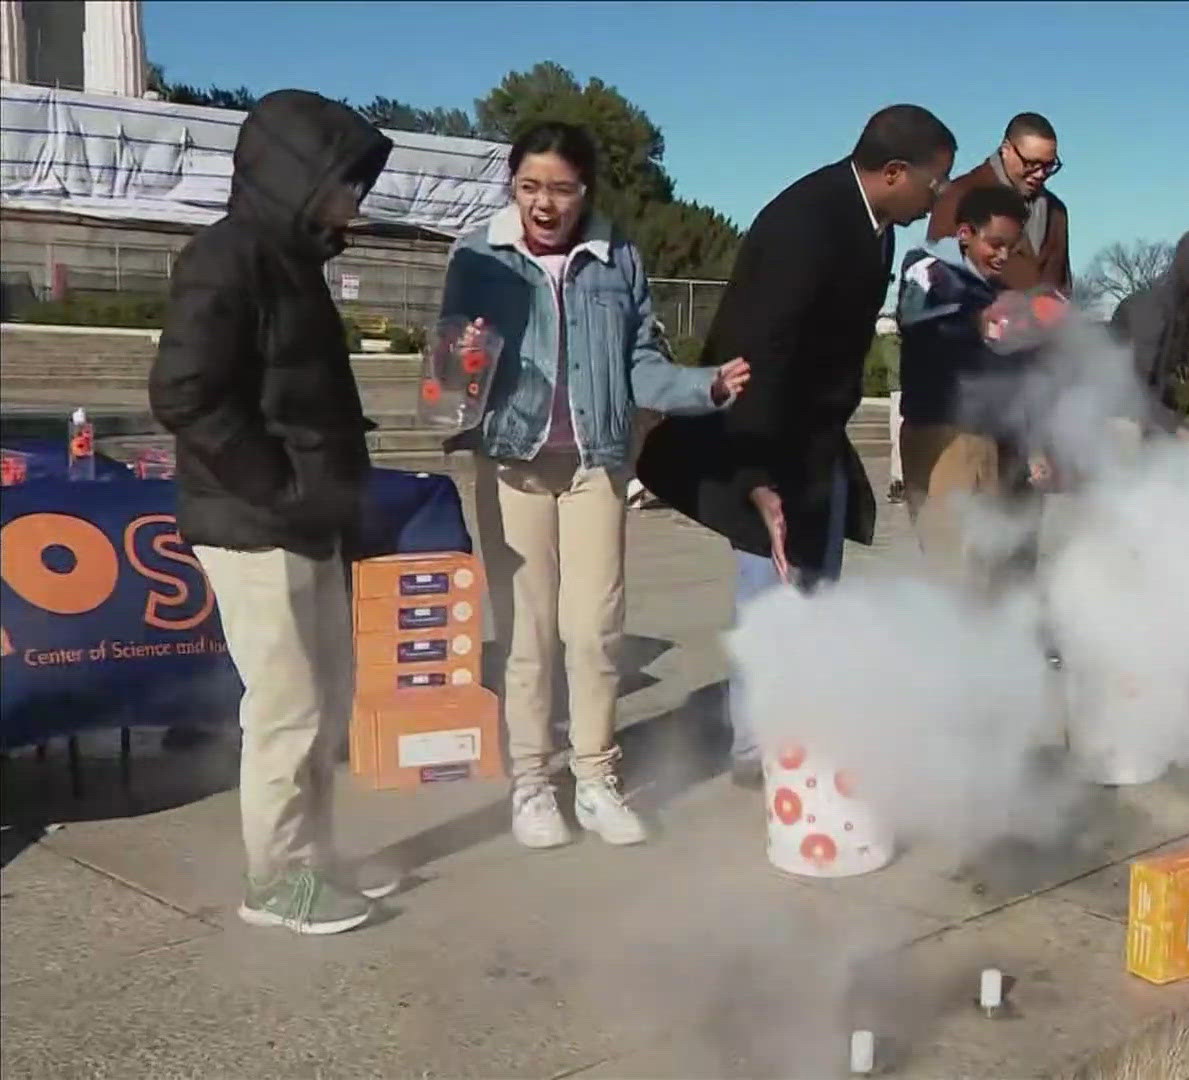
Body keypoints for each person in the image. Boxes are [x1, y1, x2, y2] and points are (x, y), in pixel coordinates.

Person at [440, 122, 749, 849]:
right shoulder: (478, 253)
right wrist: (457, 373)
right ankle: (532, 785)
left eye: (561, 189)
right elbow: (455, 355)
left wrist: (704, 387)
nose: (544, 204)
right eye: (529, 187)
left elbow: (641, 359)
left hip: (595, 463)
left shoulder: (617, 259)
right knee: (528, 634)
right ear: (511, 185)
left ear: (587, 191)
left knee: (595, 631)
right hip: (512, 462)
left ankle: (597, 778)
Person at [638, 104, 956, 784]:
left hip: (816, 436)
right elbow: (759, 354)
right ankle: (759, 750)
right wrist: (755, 474)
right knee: (772, 592)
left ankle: (802, 725)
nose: (938, 197)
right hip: (757, 433)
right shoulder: (806, 223)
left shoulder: (878, 229)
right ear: (895, 172)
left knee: (817, 592)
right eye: (935, 182)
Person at [149, 89, 393, 935]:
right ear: (297, 173)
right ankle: (276, 881)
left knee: (325, 702)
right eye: (344, 178)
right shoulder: (227, 257)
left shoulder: (293, 260)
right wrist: (277, 486)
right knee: (286, 708)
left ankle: (314, 859)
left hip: (305, 521)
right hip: (255, 525)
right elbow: (184, 392)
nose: (355, 198)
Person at [896, 184, 1051, 581]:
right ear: (965, 233)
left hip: (987, 440)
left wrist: (1032, 445)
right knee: (951, 568)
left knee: (984, 565)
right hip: (941, 436)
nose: (1002, 255)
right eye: (995, 243)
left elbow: (1017, 375)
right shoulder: (928, 269)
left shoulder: (994, 292)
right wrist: (976, 321)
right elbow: (916, 316)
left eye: (1011, 247)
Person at [1109, 227, 1189, 437]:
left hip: (1142, 414)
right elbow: (1137, 387)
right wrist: (1175, 430)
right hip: (1111, 414)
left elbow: (1165, 387)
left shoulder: (1184, 315)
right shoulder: (1150, 311)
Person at [928, 112, 1070, 295]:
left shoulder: (1056, 211)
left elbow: (1062, 288)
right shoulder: (958, 196)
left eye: (1049, 166)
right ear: (1006, 149)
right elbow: (934, 280)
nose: (1040, 174)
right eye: (1031, 164)